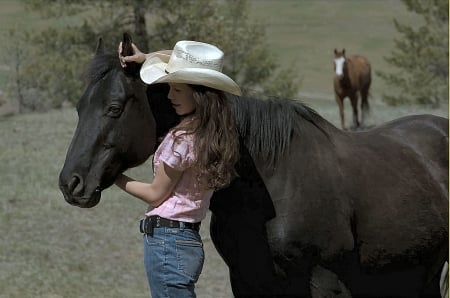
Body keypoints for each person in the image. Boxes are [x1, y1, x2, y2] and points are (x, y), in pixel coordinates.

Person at [114, 40, 242, 298]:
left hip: (166, 242)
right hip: (185, 242)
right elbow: (191, 61)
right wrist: (147, 57)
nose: (170, 96)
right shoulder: (213, 131)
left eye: (178, 89)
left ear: (199, 93)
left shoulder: (182, 138)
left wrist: (114, 176)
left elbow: (155, 194)